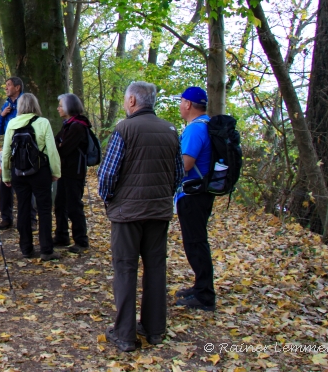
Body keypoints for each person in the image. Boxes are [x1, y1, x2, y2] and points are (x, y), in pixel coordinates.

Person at [97, 81, 184, 351]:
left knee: (125, 269)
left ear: (133, 101)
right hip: (158, 212)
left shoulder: (125, 129)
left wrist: (109, 199)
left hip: (127, 213)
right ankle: (155, 329)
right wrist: (162, 198)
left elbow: (108, 174)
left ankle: (125, 334)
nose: (125, 103)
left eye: (125, 99)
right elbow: (178, 174)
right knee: (156, 268)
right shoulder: (171, 130)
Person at [0, 93, 61, 261]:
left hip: (18, 172)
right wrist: (56, 172)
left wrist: (6, 175)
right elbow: (52, 150)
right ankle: (46, 249)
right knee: (44, 210)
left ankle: (26, 247)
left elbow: (6, 153)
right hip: (40, 172)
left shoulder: (12, 123)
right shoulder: (43, 123)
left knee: (23, 209)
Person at [173, 86, 215, 311]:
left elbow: (186, 164)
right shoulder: (206, 124)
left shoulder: (195, 130)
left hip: (193, 194)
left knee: (195, 243)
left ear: (188, 104)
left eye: (181, 102)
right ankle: (200, 287)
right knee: (196, 241)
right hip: (201, 192)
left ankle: (205, 295)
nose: (180, 106)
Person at [53, 93, 91, 254]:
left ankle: (81, 240)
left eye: (61, 105)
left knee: (74, 206)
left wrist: (60, 146)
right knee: (60, 204)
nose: (58, 108)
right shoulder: (68, 125)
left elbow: (64, 149)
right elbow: (56, 142)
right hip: (65, 171)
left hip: (74, 172)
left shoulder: (77, 126)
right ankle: (62, 235)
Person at [0, 77, 24, 229]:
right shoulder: (6, 104)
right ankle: (6, 218)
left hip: (24, 150)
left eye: (8, 85)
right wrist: (2, 115)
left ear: (17, 87)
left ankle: (29, 220)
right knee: (5, 183)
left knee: (24, 185)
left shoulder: (25, 103)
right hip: (8, 150)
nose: (6, 88)